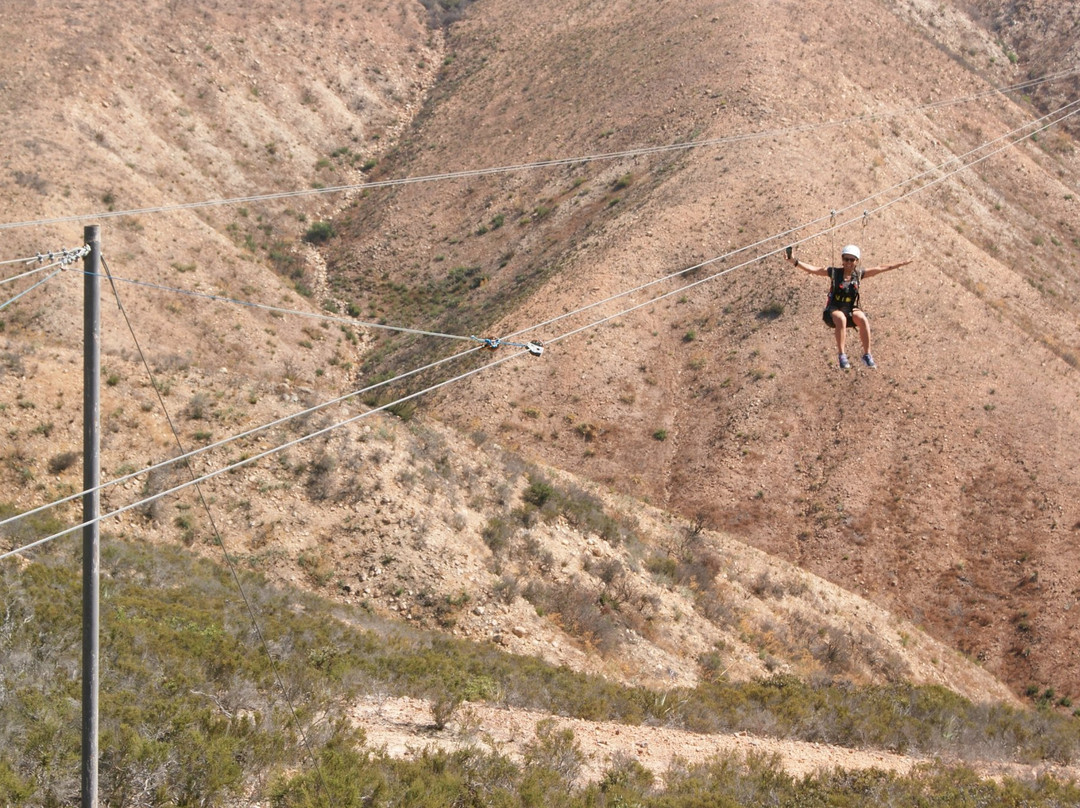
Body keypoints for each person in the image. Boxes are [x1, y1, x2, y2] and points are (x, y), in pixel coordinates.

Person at [788, 244, 912, 369]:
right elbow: (814, 269)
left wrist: (901, 264)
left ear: (856, 261)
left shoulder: (858, 274)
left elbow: (881, 268)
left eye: (851, 260)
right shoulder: (834, 272)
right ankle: (842, 355)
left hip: (850, 309)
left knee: (863, 318)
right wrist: (794, 261)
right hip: (833, 309)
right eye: (846, 259)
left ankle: (867, 354)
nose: (848, 262)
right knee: (841, 318)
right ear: (842, 260)